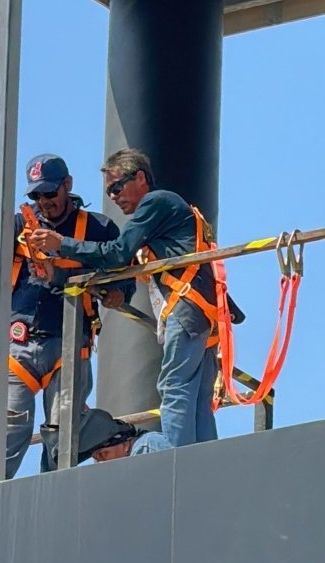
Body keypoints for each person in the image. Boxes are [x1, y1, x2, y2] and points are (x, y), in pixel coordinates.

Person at [28, 148, 220, 449]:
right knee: (196, 397)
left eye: (117, 187)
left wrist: (61, 244)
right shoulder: (169, 209)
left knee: (175, 386)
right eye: (109, 192)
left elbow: (118, 253)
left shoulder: (156, 202)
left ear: (140, 178)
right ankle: (206, 460)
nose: (114, 197)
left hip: (186, 311)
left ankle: (163, 455)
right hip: (201, 314)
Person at [0, 153, 132, 478]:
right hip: (20, 344)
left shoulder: (97, 227)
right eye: (36, 195)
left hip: (71, 344)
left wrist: (120, 292)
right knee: (10, 428)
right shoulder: (21, 225)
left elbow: (123, 272)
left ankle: (54, 489)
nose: (44, 202)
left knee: (63, 435)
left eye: (50, 193)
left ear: (67, 185)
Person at [40, 408, 172, 467]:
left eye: (103, 454)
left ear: (125, 445)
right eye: (97, 458)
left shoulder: (145, 447)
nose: (101, 463)